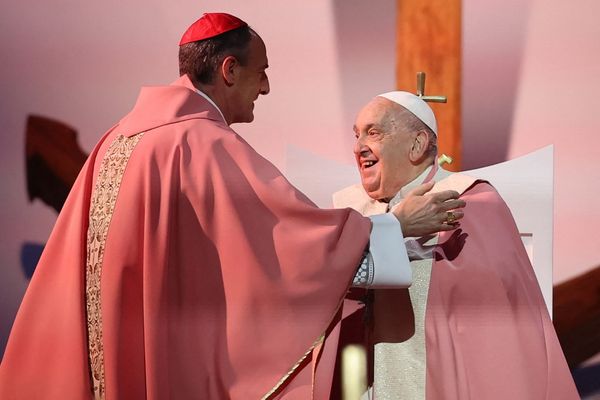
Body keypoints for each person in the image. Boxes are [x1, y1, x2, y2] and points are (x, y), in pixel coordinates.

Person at [0, 13, 466, 399]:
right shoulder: (202, 144)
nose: (263, 88)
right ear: (228, 70)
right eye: (261, 72)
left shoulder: (116, 140)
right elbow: (295, 252)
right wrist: (393, 227)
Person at [333, 91, 579, 399]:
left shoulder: (471, 204)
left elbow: (492, 334)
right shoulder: (347, 211)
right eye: (356, 135)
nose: (358, 147)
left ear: (417, 144)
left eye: (374, 132)